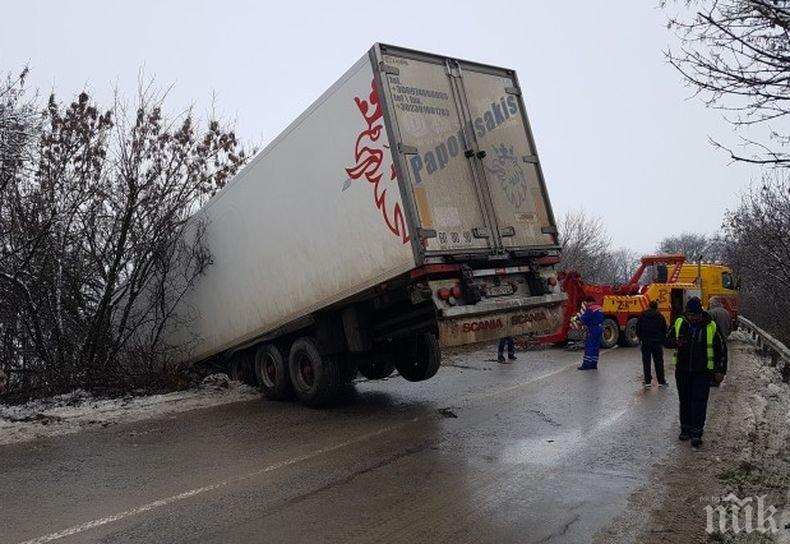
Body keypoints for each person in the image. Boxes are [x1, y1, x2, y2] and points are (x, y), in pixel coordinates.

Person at [666, 297, 727, 448]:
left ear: (701, 313)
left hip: (703, 372)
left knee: (699, 401)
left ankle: (697, 433)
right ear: (686, 313)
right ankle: (685, 429)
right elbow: (666, 340)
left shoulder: (711, 326)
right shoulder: (680, 322)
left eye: (695, 315)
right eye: (689, 315)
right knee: (685, 400)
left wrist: (720, 370)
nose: (692, 318)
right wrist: (675, 342)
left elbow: (722, 350)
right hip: (683, 370)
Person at [636, 300, 667, 388]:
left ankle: (647, 382)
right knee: (659, 361)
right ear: (656, 307)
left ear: (649, 306)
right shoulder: (660, 316)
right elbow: (664, 329)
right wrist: (662, 340)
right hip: (657, 342)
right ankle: (661, 381)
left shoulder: (643, 316)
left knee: (646, 362)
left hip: (646, 342)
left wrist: (640, 337)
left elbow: (638, 328)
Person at [707, 297, 731, 387]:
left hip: (713, 339)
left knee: (713, 358)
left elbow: (709, 326)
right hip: (724, 338)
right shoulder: (726, 312)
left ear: (712, 304)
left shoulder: (712, 313)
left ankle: (713, 378)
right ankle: (719, 375)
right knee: (722, 356)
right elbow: (730, 327)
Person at [576, 296, 604, 370]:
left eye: (586, 303)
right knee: (596, 346)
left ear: (588, 302)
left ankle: (586, 365)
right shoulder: (600, 308)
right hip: (600, 328)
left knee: (590, 346)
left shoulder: (591, 309)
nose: (586, 304)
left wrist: (577, 318)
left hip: (593, 329)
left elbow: (584, 318)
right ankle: (594, 364)